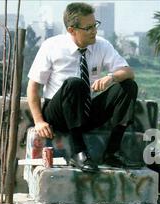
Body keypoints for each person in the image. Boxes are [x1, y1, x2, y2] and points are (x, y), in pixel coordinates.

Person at [27, 2, 138, 173]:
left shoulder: (102, 45)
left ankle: (112, 152)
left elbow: (129, 71)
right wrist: (39, 121)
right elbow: (33, 87)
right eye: (88, 28)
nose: (94, 31)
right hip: (58, 114)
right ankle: (78, 152)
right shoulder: (51, 46)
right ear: (72, 30)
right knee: (75, 83)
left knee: (128, 86)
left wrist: (111, 77)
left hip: (86, 110)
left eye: (95, 25)